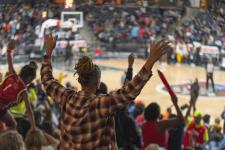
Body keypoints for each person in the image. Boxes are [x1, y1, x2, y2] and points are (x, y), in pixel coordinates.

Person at [41, 34, 170, 149]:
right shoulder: (100, 104)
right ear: (97, 84)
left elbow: (47, 81)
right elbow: (129, 92)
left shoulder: (66, 97)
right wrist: (150, 61)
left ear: (79, 80)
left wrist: (48, 53)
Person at [0, 40, 37, 129]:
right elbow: (29, 111)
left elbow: (9, 60)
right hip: (1, 108)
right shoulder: (23, 90)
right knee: (13, 125)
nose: (31, 81)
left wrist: (9, 49)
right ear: (29, 78)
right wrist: (34, 127)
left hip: (2, 108)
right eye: (32, 78)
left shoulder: (13, 75)